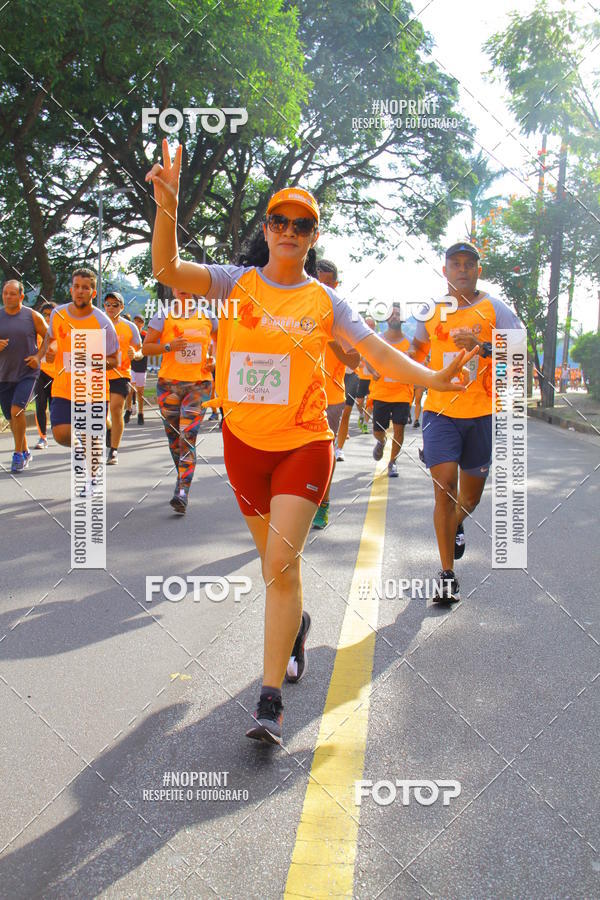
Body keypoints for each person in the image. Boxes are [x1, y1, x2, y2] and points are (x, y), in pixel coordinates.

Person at [145, 139, 476, 745]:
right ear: (267, 230)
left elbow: (378, 353)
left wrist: (432, 378)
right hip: (245, 446)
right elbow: (167, 270)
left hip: (304, 443)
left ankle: (268, 702)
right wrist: (167, 203)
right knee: (279, 577)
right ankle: (297, 627)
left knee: (279, 562)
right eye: (281, 221)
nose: (290, 231)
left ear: (313, 235)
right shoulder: (233, 283)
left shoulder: (325, 300)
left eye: (303, 224)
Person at [411, 241, 524, 603]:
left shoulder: (496, 309)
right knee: (444, 487)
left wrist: (484, 345)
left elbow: (519, 357)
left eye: (469, 264)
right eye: (455, 264)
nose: (462, 269)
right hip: (440, 412)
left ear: (478, 270)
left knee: (469, 499)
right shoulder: (431, 311)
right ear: (444, 270)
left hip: (480, 415)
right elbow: (416, 355)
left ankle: (456, 523)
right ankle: (447, 575)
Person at [142, 288, 217, 513]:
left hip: (198, 385)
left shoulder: (207, 315)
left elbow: (222, 343)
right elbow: (146, 348)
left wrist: (214, 359)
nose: (184, 288)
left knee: (187, 436)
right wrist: (168, 347)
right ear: (174, 290)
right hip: (169, 385)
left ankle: (182, 491)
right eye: (178, 284)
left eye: (188, 283)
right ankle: (181, 477)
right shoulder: (163, 315)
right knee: (175, 439)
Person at [34, 268, 119, 448]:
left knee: (91, 445)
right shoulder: (58, 315)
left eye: (86, 288)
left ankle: (93, 464)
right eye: (77, 286)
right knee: (61, 434)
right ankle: (84, 441)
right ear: (71, 290)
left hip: (93, 391)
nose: (80, 291)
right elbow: (51, 339)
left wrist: (90, 362)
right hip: (64, 387)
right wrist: (49, 352)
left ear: (93, 293)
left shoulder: (103, 322)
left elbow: (114, 361)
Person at [312, 260, 360, 528]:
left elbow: (354, 363)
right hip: (296, 397)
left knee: (324, 454)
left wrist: (333, 343)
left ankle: (324, 502)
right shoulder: (298, 310)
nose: (322, 288)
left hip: (330, 398)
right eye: (317, 281)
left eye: (327, 283)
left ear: (335, 285)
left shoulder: (343, 317)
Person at [0, 279, 48, 472]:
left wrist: (38, 356)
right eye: (5, 293)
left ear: (21, 296)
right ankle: (26, 450)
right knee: (12, 418)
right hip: (3, 374)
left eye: (12, 293)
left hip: (27, 373)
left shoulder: (32, 316)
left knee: (16, 411)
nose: (8, 296)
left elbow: (49, 336)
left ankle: (18, 454)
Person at [370, 303, 414, 478]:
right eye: (391, 314)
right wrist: (373, 372)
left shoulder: (409, 342)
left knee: (399, 429)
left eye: (398, 314)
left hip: (402, 393)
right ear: (387, 318)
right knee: (378, 430)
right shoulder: (378, 339)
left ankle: (392, 462)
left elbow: (418, 364)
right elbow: (367, 358)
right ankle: (381, 441)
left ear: (402, 318)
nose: (395, 316)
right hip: (381, 391)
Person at [103, 291, 142, 465]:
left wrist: (135, 354)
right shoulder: (97, 324)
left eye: (115, 305)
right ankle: (109, 428)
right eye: (108, 304)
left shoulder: (130, 327)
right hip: (99, 374)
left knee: (116, 407)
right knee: (100, 415)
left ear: (122, 307)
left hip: (121, 374)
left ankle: (113, 450)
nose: (111, 308)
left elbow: (141, 351)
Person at [335, 314, 377, 460]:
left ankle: (339, 449)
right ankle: (332, 441)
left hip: (353, 375)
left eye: (372, 326)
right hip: (335, 374)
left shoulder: (366, 339)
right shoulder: (337, 331)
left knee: (346, 410)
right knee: (333, 410)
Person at [34, 302, 57, 449]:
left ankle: (61, 432)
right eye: (45, 315)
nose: (48, 317)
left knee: (54, 406)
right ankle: (42, 437)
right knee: (40, 404)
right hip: (39, 373)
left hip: (58, 375)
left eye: (51, 314)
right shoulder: (36, 332)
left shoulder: (62, 331)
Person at [126, 314, 148, 425]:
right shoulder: (130, 335)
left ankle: (141, 413)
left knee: (140, 392)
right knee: (130, 390)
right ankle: (128, 410)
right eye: (135, 321)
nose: (137, 324)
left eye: (139, 322)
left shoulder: (146, 336)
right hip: (131, 366)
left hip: (142, 367)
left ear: (142, 324)